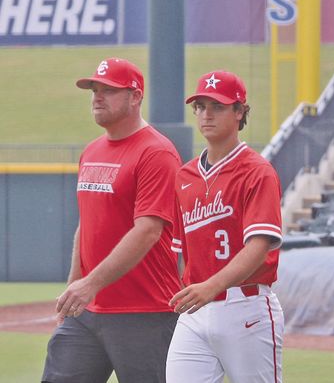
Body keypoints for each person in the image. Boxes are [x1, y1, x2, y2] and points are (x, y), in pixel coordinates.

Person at [42, 58, 183, 383]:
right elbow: (87, 225)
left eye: (109, 90)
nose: (97, 96)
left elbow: (148, 230)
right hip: (88, 312)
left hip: (145, 312)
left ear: (135, 97)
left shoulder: (156, 153)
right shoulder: (91, 151)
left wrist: (90, 284)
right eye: (94, 89)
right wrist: (74, 288)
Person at [166, 70, 284, 383]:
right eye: (201, 106)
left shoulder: (257, 172)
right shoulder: (185, 176)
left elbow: (258, 248)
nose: (206, 115)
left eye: (217, 107)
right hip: (195, 311)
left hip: (245, 308)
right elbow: (182, 253)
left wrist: (211, 287)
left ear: (240, 111)